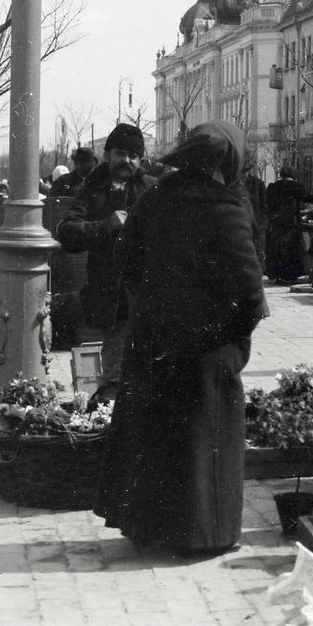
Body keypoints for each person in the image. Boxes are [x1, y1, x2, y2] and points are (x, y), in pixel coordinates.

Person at [95, 121, 266, 555]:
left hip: (154, 339)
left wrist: (152, 309)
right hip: (207, 348)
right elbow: (250, 291)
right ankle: (203, 536)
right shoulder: (225, 207)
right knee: (203, 441)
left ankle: (149, 528)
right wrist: (231, 338)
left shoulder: (155, 198)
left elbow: (126, 260)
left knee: (154, 437)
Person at [56, 124, 154, 403]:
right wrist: (106, 226)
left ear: (140, 160)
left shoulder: (151, 188)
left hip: (149, 294)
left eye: (134, 156)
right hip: (113, 297)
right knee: (114, 375)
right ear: (108, 154)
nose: (127, 161)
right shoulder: (92, 189)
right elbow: (67, 231)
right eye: (121, 153)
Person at [266, 166, 313, 283]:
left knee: (277, 248)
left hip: (276, 223)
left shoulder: (272, 187)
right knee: (291, 249)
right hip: (291, 222)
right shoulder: (297, 187)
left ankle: (277, 274)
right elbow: (310, 198)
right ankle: (290, 275)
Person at [241, 156, 268, 269]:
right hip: (239, 223)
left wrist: (262, 223)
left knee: (256, 252)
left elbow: (264, 206)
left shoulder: (258, 184)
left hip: (255, 223)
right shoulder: (232, 184)